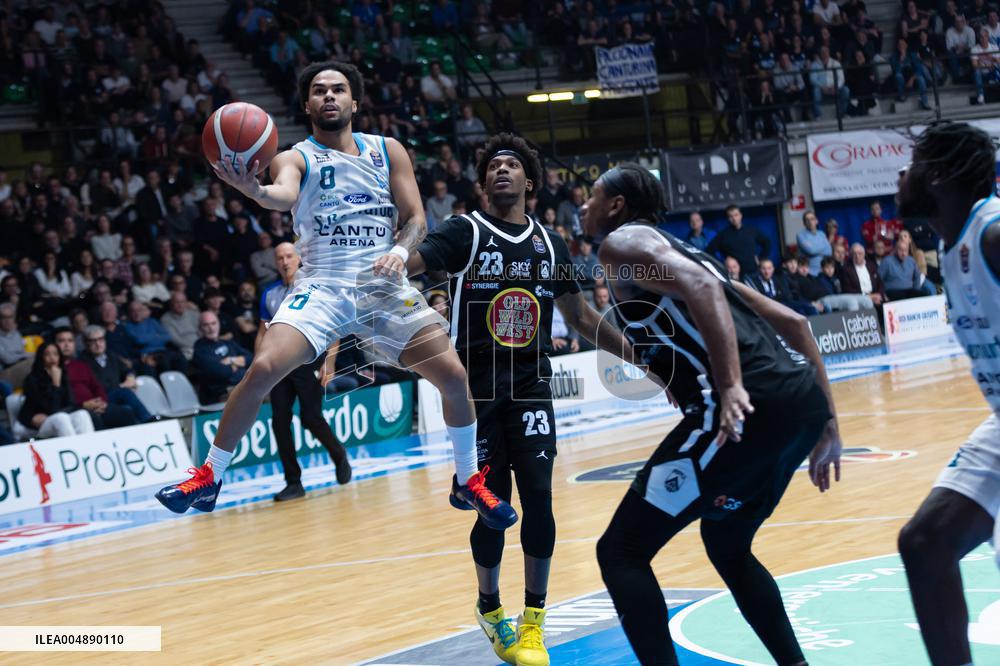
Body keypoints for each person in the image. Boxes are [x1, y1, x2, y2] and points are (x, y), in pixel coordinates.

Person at [155, 61, 515, 531]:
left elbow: (415, 220)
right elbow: (281, 194)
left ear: (354, 103)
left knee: (452, 374)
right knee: (263, 367)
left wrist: (401, 253)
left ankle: (467, 480)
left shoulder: (389, 151)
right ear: (306, 105)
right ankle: (208, 477)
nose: (329, 96)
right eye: (319, 91)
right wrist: (252, 189)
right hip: (323, 284)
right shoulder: (295, 156)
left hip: (383, 286)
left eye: (338, 90)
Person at [584, 163, 841, 666]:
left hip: (748, 406)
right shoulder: (694, 253)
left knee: (621, 552)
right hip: (799, 403)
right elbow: (794, 322)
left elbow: (699, 291)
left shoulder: (623, 244)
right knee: (726, 540)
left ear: (616, 206)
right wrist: (828, 421)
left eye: (593, 196)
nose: (585, 206)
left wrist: (728, 386)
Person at [407, 134, 633, 666]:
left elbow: (579, 316)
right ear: (483, 183)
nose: (502, 171)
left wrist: (640, 358)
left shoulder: (551, 244)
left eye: (512, 166)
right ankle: (490, 608)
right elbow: (410, 267)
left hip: (531, 386)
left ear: (530, 182)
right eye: (493, 167)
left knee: (539, 498)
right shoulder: (465, 232)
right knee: (490, 508)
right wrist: (392, 264)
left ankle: (534, 622)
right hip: (476, 394)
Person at [896, 122, 1000, 666]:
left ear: (935, 176)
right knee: (925, 544)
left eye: (909, 164)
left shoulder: (992, 233)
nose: (900, 175)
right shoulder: (952, 246)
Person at [258, 241, 352, 500]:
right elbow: (262, 333)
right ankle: (293, 482)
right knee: (279, 422)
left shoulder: (312, 285)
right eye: (280, 258)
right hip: (279, 365)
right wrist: (259, 370)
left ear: (298, 258)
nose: (285, 261)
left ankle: (338, 454)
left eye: (289, 256)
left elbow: (333, 326)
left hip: (308, 359)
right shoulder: (269, 294)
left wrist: (329, 362)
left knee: (311, 417)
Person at [54, 327, 139, 430]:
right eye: (62, 341)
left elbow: (96, 387)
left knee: (125, 412)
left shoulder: (80, 365)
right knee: (95, 417)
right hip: (76, 408)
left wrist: (101, 402)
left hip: (96, 404)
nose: (66, 345)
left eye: (70, 341)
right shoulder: (54, 369)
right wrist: (84, 404)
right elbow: (61, 396)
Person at [19, 341, 96, 438]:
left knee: (82, 414)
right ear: (41, 357)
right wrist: (56, 384)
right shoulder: (32, 379)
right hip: (40, 426)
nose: (52, 357)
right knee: (60, 418)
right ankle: (73, 450)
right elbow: (51, 410)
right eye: (47, 354)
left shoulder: (63, 376)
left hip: (62, 417)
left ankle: (89, 450)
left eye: (55, 354)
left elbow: (70, 404)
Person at [80, 325, 153, 423]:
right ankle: (148, 420)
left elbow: (127, 370)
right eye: (93, 341)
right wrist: (122, 386)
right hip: (99, 400)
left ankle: (146, 425)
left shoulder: (111, 356)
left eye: (101, 339)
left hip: (115, 396)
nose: (98, 344)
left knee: (128, 406)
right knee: (125, 393)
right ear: (86, 343)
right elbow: (98, 387)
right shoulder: (81, 362)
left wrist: (130, 376)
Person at [192, 311, 251, 404]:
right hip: (223, 394)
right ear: (200, 328)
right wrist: (238, 363)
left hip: (245, 385)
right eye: (206, 325)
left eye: (213, 323)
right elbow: (222, 372)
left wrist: (231, 360)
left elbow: (250, 358)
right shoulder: (200, 349)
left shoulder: (227, 342)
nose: (211, 328)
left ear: (219, 324)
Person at [706, 205, 771, 278]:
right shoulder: (723, 235)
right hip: (735, 276)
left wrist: (761, 258)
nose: (734, 218)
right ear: (728, 218)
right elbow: (709, 251)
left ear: (741, 215)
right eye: (730, 216)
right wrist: (722, 264)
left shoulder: (751, 230)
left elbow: (767, 242)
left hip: (754, 272)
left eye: (736, 215)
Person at [795, 210, 832, 275]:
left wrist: (815, 248)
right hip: (809, 273)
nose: (810, 222)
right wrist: (824, 246)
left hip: (823, 271)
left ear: (816, 221)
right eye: (807, 220)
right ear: (804, 223)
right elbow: (811, 251)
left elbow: (829, 251)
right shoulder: (800, 235)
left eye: (812, 219)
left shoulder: (821, 234)